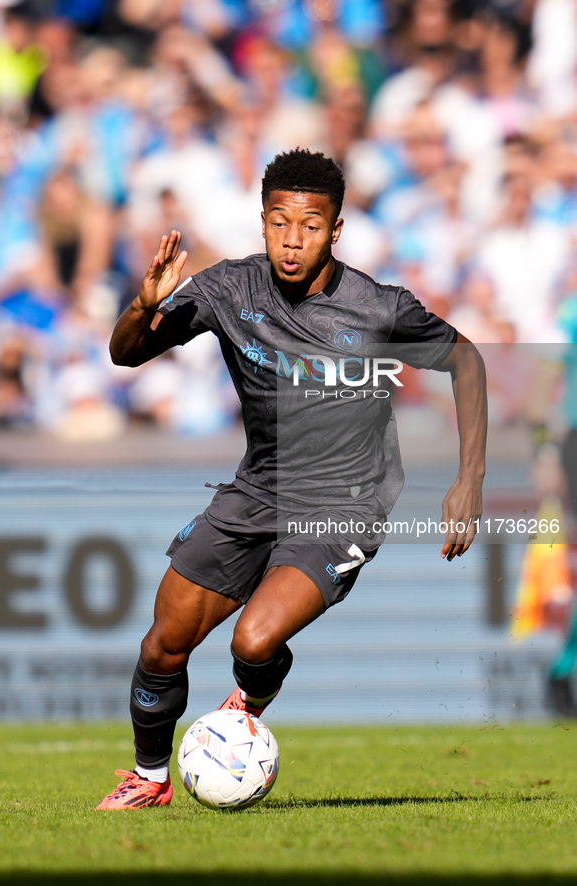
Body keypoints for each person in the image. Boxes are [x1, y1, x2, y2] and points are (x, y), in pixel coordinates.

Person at [97, 148, 487, 810]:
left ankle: (248, 698)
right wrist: (143, 305)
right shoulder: (227, 289)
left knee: (253, 638)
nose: (291, 239)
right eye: (279, 222)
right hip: (255, 491)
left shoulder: (377, 308)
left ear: (335, 230)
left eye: (309, 225)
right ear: (262, 222)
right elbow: (126, 353)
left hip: (344, 502)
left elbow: (466, 360)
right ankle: (150, 779)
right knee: (162, 646)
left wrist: (468, 479)